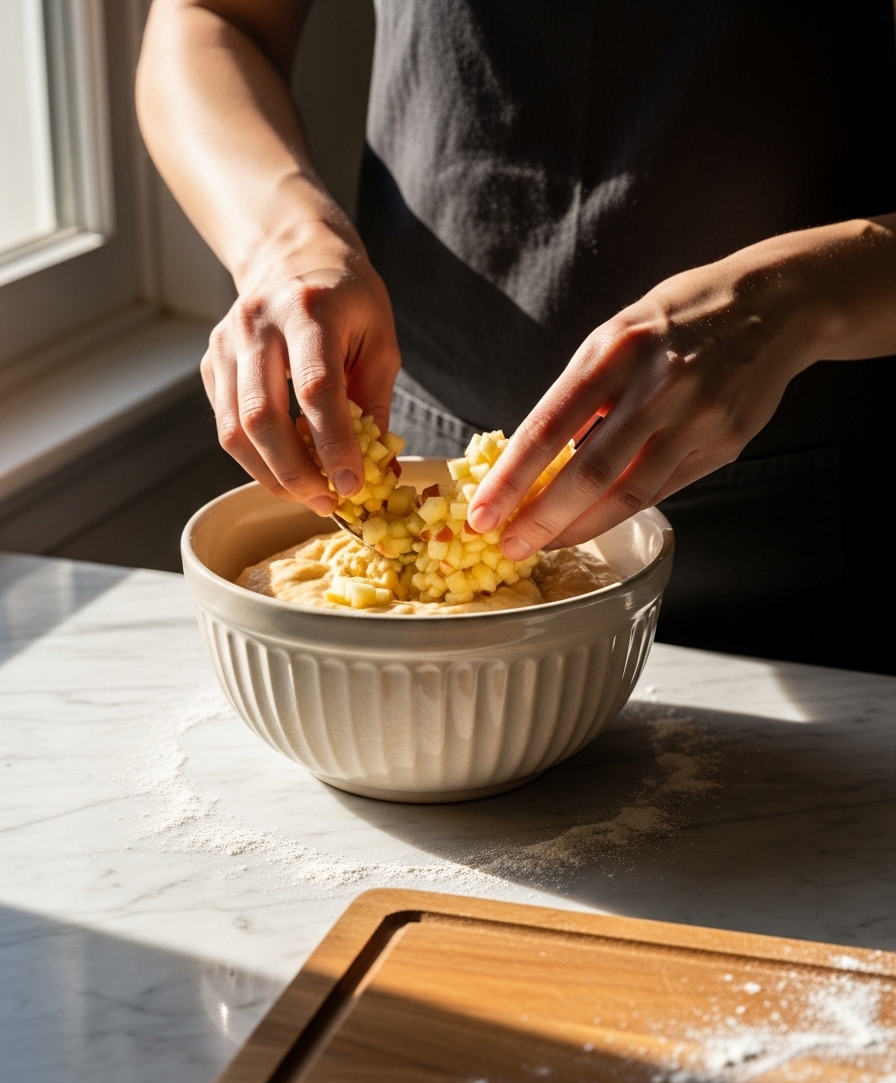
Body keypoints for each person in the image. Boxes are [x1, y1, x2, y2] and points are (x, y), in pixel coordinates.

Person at [137, 1, 896, 673]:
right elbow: (210, 18)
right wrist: (283, 244)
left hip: (816, 521)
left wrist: (798, 297)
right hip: (426, 430)